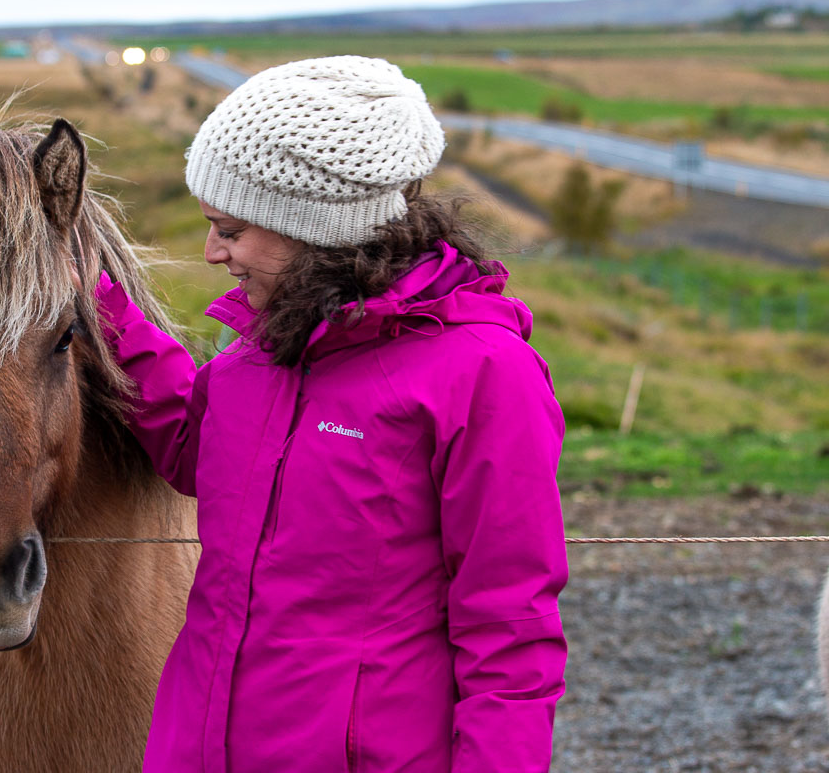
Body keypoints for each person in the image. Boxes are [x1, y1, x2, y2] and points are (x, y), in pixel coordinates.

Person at [93, 56, 567, 772]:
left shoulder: (482, 374)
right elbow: (199, 453)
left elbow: (509, 629)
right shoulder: (267, 346)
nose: (211, 252)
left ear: (311, 227)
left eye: (229, 228)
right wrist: (109, 316)